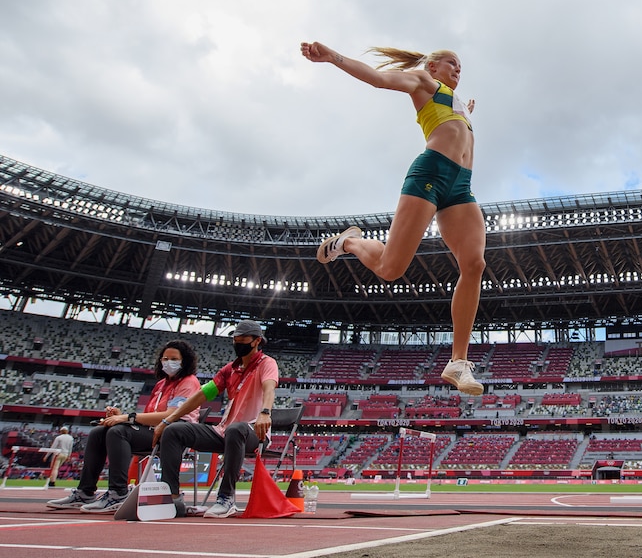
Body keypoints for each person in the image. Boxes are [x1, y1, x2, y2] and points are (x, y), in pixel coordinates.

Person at [301, 41, 485, 397]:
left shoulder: (458, 104)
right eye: (451, 63)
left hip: (461, 186)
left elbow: (458, 122)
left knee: (474, 264)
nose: (458, 69)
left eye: (461, 66)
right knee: (390, 268)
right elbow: (378, 79)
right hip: (431, 173)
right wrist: (333, 58)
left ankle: (458, 361)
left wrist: (469, 110)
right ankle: (349, 241)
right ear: (432, 67)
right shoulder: (423, 81)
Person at [47, 340, 201, 512]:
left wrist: (127, 418)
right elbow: (149, 415)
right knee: (99, 432)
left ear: (184, 361)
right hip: (152, 431)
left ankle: (118, 493)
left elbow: (169, 416)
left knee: (118, 432)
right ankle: (85, 491)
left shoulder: (189, 382)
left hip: (173, 433)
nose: (168, 362)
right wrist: (121, 416)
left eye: (174, 358)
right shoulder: (161, 385)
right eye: (165, 358)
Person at [153, 320, 277, 518]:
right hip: (224, 431)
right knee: (174, 431)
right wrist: (168, 420)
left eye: (243, 340)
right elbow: (202, 395)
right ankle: (172, 497)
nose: (238, 343)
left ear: (257, 341)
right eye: (235, 339)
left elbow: (269, 387)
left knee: (236, 429)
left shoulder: (267, 363)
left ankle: (226, 498)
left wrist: (265, 412)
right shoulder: (229, 369)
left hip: (253, 431)